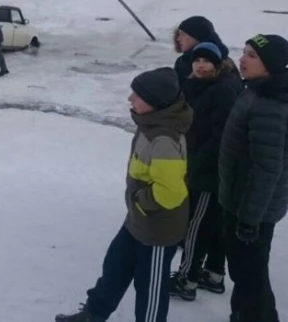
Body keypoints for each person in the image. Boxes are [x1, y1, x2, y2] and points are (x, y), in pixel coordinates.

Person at [56, 67, 192, 322]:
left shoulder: (163, 139)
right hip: (137, 221)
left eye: (137, 95)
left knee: (149, 287)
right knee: (115, 268)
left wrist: (141, 202)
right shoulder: (151, 122)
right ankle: (93, 315)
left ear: (155, 102)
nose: (130, 99)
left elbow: (172, 193)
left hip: (157, 230)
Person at [219, 34, 288, 322]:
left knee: (250, 276)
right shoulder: (256, 91)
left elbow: (267, 170)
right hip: (242, 201)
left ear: (270, 65)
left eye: (252, 55)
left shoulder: (269, 105)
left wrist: (249, 219)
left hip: (252, 209)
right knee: (247, 274)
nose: (242, 59)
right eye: (243, 52)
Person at [170, 42, 242, 301]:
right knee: (210, 225)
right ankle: (213, 275)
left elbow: (222, 135)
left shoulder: (221, 90)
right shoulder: (196, 84)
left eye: (206, 61)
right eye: (196, 60)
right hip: (198, 164)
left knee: (196, 226)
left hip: (207, 172)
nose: (200, 65)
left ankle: (186, 280)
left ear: (218, 64)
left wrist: (197, 162)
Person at [172, 16, 235, 86]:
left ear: (197, 37)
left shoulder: (224, 64)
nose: (178, 39)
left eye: (183, 35)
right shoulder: (182, 61)